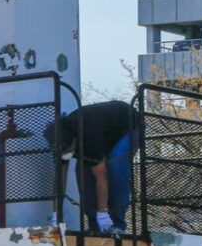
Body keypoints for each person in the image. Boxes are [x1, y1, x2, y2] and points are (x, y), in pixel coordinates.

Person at [45, 100, 139, 235]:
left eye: (67, 150)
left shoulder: (89, 136)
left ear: (74, 142)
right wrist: (56, 214)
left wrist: (103, 213)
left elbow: (101, 177)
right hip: (102, 132)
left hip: (127, 125)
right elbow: (60, 179)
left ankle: (116, 223)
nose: (65, 155)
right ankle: (94, 225)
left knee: (115, 168)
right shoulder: (59, 141)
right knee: (83, 174)